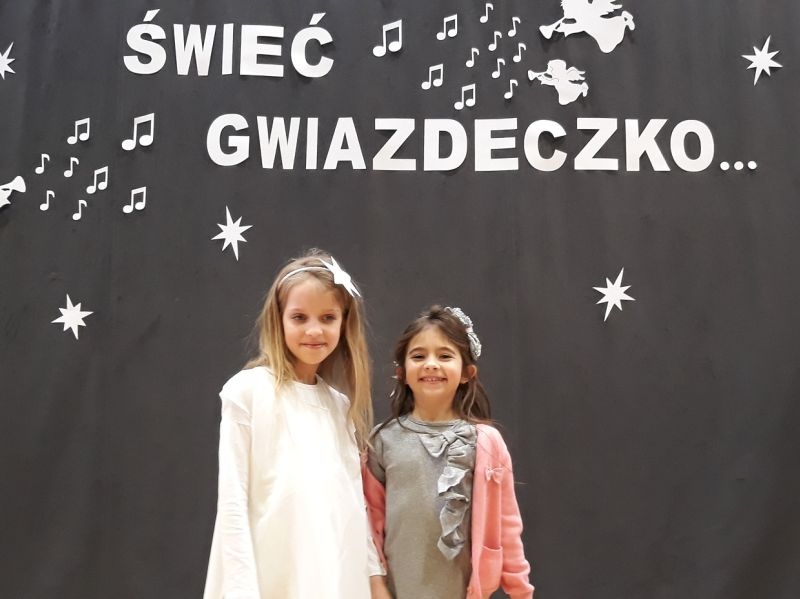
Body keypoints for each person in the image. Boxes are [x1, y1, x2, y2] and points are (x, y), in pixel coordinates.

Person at [203, 249, 384, 599]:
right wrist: (241, 591)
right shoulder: (247, 392)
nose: (314, 330)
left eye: (328, 318)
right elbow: (233, 503)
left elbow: (353, 506)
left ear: (344, 322)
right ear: (279, 319)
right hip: (271, 577)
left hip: (335, 577)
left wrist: (374, 577)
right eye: (299, 317)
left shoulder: (339, 407)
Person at [364, 306, 534, 599]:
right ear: (401, 373)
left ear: (467, 373)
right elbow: (369, 523)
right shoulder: (383, 440)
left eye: (444, 356)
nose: (431, 364)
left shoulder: (487, 442)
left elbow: (507, 525)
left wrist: (521, 592)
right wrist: (377, 586)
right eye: (419, 356)